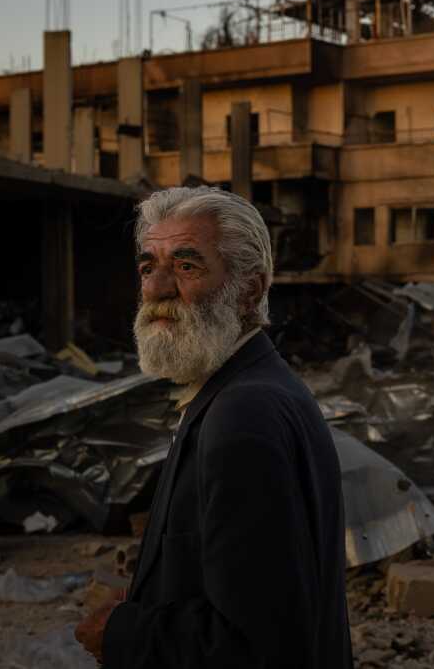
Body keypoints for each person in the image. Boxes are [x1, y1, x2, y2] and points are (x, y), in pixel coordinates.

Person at [74, 186, 353, 668]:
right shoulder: (243, 390)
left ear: (249, 289)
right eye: (148, 267)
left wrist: (122, 633)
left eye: (186, 266)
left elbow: (256, 647)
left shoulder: (243, 414)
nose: (158, 289)